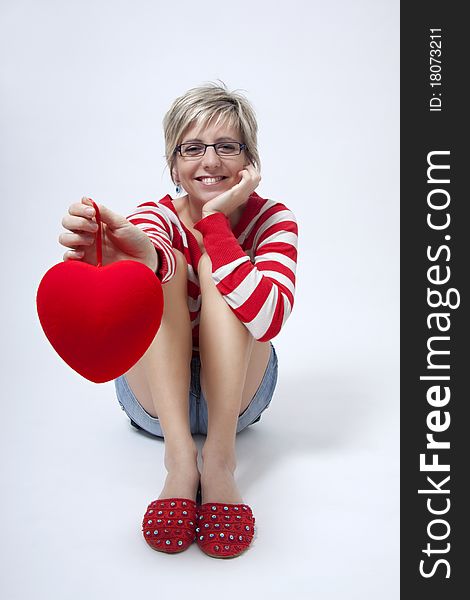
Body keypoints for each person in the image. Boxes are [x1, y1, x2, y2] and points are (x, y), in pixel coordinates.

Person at [59, 81, 298, 559]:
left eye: (227, 147)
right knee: (160, 267)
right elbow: (150, 256)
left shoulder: (274, 219)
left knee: (217, 267)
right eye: (192, 148)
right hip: (155, 399)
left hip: (237, 401)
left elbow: (269, 320)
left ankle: (220, 462)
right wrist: (131, 260)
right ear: (173, 163)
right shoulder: (153, 215)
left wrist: (215, 225)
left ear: (250, 161)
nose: (209, 162)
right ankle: (179, 460)